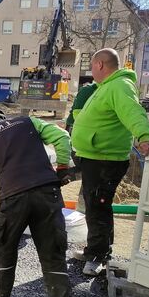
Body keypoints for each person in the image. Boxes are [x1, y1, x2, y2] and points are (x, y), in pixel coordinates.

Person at [0, 108, 74, 297]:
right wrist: (62, 165)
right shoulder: (28, 122)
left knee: (5, 247)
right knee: (52, 252)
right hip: (47, 193)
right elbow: (62, 136)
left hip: (14, 200)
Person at [71, 48, 149, 276]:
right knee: (96, 205)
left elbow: (133, 112)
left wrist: (145, 137)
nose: (91, 71)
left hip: (105, 160)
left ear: (100, 65)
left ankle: (98, 256)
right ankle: (96, 249)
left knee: (98, 207)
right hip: (96, 158)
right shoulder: (106, 87)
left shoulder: (119, 86)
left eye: (92, 66)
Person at [65, 81, 98, 213]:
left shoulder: (100, 90)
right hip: (80, 137)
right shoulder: (89, 91)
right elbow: (77, 116)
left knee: (87, 173)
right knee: (88, 173)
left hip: (81, 136)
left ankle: (83, 209)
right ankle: (83, 210)